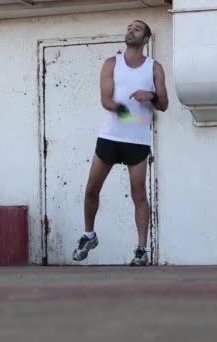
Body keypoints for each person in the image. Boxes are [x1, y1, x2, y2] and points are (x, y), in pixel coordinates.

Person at [72, 20, 169, 266]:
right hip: (110, 136)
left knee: (139, 195)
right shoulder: (111, 64)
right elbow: (106, 100)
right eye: (129, 27)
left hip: (137, 141)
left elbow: (164, 104)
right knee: (92, 189)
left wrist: (151, 96)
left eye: (137, 28)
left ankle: (141, 250)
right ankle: (89, 235)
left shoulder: (154, 68)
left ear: (146, 38)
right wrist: (122, 110)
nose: (131, 30)